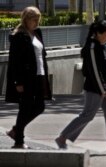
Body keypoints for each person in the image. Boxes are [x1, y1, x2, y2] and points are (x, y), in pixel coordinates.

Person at [55, 20, 106, 155]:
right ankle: (62, 137)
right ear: (97, 33)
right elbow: (95, 71)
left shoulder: (100, 46)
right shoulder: (92, 47)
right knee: (87, 115)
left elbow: (104, 70)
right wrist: (103, 90)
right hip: (95, 89)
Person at [5, 6, 52, 149]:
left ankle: (15, 130)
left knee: (40, 106)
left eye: (38, 19)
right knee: (25, 108)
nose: (37, 22)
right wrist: (18, 81)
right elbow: (15, 61)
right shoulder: (19, 35)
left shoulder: (37, 33)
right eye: (34, 19)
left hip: (40, 75)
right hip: (26, 78)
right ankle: (19, 141)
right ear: (26, 20)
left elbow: (41, 55)